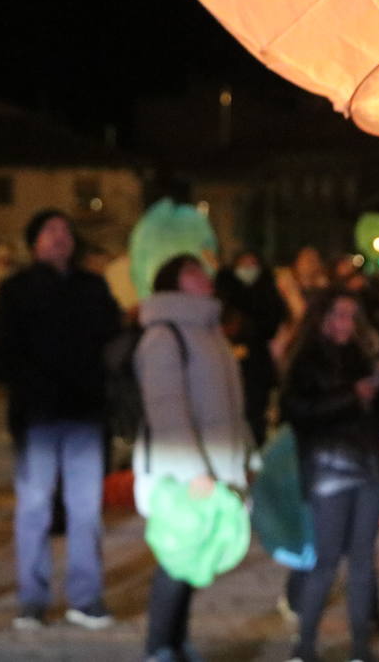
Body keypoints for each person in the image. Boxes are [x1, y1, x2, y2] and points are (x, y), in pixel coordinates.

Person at [0, 209, 120, 630]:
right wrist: (26, 385)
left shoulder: (93, 286)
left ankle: (86, 597)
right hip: (38, 416)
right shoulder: (17, 290)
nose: (60, 237)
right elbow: (2, 356)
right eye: (49, 230)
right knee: (34, 508)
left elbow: (112, 340)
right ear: (34, 243)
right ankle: (32, 599)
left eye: (66, 230)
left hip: (85, 414)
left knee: (85, 510)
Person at [134, 254, 251, 662]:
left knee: (193, 560)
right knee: (175, 558)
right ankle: (159, 647)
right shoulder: (164, 335)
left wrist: (246, 458)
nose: (206, 277)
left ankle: (177, 640)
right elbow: (166, 408)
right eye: (193, 271)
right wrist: (193, 472)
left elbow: (233, 408)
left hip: (215, 468)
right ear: (174, 282)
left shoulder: (209, 332)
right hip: (182, 474)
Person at [281, 290, 379, 662]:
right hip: (327, 469)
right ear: (320, 317)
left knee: (364, 560)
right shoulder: (305, 359)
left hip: (368, 465)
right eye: (338, 315)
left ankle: (360, 649)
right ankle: (304, 647)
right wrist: (352, 396)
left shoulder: (363, 355)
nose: (346, 324)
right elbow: (298, 412)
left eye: (352, 316)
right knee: (327, 560)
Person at [215, 250, 289, 448]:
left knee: (255, 414)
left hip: (257, 366)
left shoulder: (268, 294)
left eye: (253, 264)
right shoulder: (223, 294)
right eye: (244, 264)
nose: (249, 270)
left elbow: (273, 325)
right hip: (227, 361)